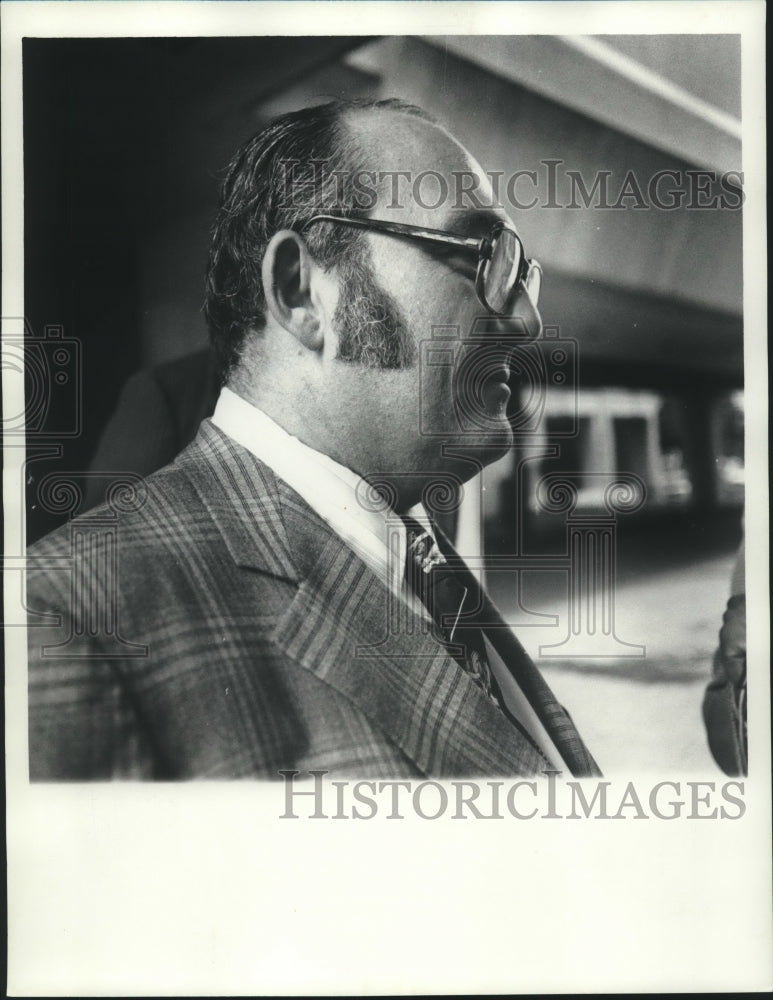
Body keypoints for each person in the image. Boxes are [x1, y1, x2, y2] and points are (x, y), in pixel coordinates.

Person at [26, 98, 600, 780]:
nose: (526, 319)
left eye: (518, 270)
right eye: (483, 254)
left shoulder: (422, 560)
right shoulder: (66, 620)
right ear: (301, 291)